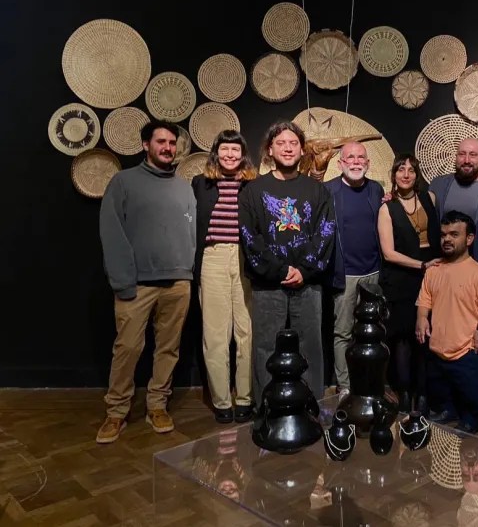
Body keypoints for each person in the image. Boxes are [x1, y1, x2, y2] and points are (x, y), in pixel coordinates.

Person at [96, 120, 196, 444]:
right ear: (145, 145)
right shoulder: (123, 182)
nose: (167, 147)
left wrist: (186, 270)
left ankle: (157, 405)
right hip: (137, 283)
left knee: (168, 349)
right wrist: (123, 281)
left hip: (178, 282)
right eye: (161, 141)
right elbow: (112, 234)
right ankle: (116, 410)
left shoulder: (183, 187)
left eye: (172, 143)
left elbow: (190, 234)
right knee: (127, 348)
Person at [238, 121, 336, 406]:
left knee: (310, 347)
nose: (288, 148)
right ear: (270, 150)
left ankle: (311, 406)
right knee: (266, 347)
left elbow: (326, 232)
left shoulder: (317, 191)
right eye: (281, 143)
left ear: (302, 150)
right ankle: (266, 408)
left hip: (308, 284)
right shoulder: (253, 191)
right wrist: (280, 270)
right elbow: (249, 236)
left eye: (293, 143)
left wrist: (303, 270)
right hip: (268, 285)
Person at [192, 130, 257, 424]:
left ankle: (244, 398)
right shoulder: (201, 183)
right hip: (213, 256)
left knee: (246, 332)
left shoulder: (253, 185)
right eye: (225, 149)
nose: (230, 155)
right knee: (215, 333)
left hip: (245, 258)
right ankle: (221, 400)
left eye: (235, 150)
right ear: (216, 153)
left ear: (243, 154)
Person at [415, 211, 478, 433]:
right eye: (444, 235)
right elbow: (425, 299)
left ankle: (474, 418)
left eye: (454, 234)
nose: (447, 239)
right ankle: (447, 410)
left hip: (468, 348)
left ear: (469, 239)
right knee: (440, 384)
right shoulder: (433, 271)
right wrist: (422, 318)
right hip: (439, 347)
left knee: (473, 388)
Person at [378, 153, 441, 413]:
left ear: (417, 175)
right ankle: (404, 394)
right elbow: (388, 253)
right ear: (394, 175)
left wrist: (431, 267)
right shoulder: (387, 208)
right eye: (401, 169)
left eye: (411, 170)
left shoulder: (429, 198)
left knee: (426, 337)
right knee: (403, 338)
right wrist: (421, 265)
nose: (406, 174)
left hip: (431, 274)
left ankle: (423, 393)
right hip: (402, 278)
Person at [325, 142, 384, 399]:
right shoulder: (329, 190)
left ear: (368, 163)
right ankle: (345, 385)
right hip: (344, 274)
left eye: (361, 157)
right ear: (340, 163)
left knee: (373, 331)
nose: (356, 161)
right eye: (350, 157)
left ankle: (369, 382)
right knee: (343, 332)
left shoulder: (376, 189)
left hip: (374, 272)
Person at [428, 138, 478, 269]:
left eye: (473, 155)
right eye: (462, 154)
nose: (467, 160)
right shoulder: (438, 185)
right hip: (445, 265)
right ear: (456, 157)